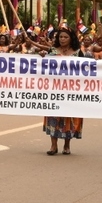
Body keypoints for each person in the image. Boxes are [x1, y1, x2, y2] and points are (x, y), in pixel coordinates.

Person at [32, 27, 83, 155]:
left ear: (71, 39)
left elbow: (85, 70)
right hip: (54, 89)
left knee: (69, 117)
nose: (62, 39)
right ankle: (53, 146)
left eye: (65, 37)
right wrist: (42, 58)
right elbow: (44, 67)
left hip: (72, 90)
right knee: (53, 115)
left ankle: (67, 145)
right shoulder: (52, 51)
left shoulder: (77, 53)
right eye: (60, 37)